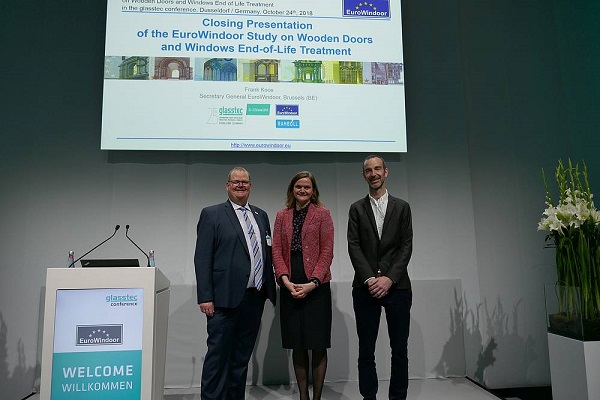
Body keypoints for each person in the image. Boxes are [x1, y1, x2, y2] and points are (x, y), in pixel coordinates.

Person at [194, 166, 277, 400]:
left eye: (245, 182)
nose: (241, 185)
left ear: (250, 186)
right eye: (236, 182)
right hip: (223, 300)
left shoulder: (261, 215)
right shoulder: (212, 214)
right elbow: (202, 258)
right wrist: (205, 296)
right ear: (227, 185)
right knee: (218, 358)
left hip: (254, 298)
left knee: (241, 358)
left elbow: (266, 252)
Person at [347, 155, 413, 400]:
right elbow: (353, 246)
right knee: (366, 351)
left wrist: (388, 279)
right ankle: (369, 397)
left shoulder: (402, 206)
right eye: (368, 170)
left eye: (377, 169)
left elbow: (406, 246)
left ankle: (398, 397)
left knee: (399, 351)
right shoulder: (356, 208)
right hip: (365, 288)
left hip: (398, 288)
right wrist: (370, 279)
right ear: (364, 175)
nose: (373, 174)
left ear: (386, 172)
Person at [272, 171, 334, 400]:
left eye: (307, 187)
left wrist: (313, 282)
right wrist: (285, 280)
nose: (302, 190)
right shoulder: (281, 216)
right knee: (297, 344)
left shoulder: (323, 214)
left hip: (317, 286)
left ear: (313, 190)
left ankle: (316, 397)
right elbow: (276, 250)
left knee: (318, 345)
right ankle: (303, 397)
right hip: (290, 283)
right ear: (292, 189)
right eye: (299, 186)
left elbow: (327, 251)